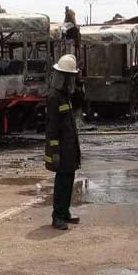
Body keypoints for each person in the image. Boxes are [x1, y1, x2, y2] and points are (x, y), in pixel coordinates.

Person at [44, 54, 82, 230]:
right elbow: (52, 128)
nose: (72, 81)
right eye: (71, 77)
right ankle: (57, 215)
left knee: (69, 180)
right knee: (61, 182)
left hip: (70, 147)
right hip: (61, 149)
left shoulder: (65, 95)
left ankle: (65, 211)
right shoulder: (54, 97)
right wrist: (55, 152)